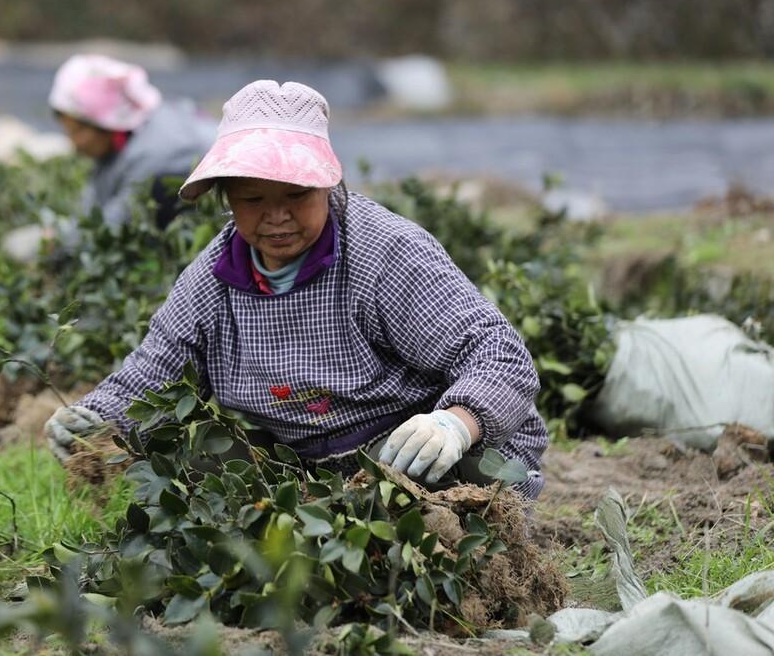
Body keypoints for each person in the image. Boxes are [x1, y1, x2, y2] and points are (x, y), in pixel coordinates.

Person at [45, 80, 548, 498]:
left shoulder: (385, 251)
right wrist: (95, 417)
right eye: (254, 199)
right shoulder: (212, 280)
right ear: (227, 200)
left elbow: (497, 353)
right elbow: (152, 372)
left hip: (406, 445)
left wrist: (454, 424)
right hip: (302, 464)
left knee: (462, 486)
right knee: (196, 456)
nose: (276, 216)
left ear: (326, 187)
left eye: (295, 195)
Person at [2, 55, 215, 260]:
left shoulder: (157, 156)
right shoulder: (123, 136)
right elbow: (93, 209)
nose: (75, 142)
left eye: (78, 132)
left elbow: (108, 230)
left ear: (107, 124)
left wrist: (53, 244)